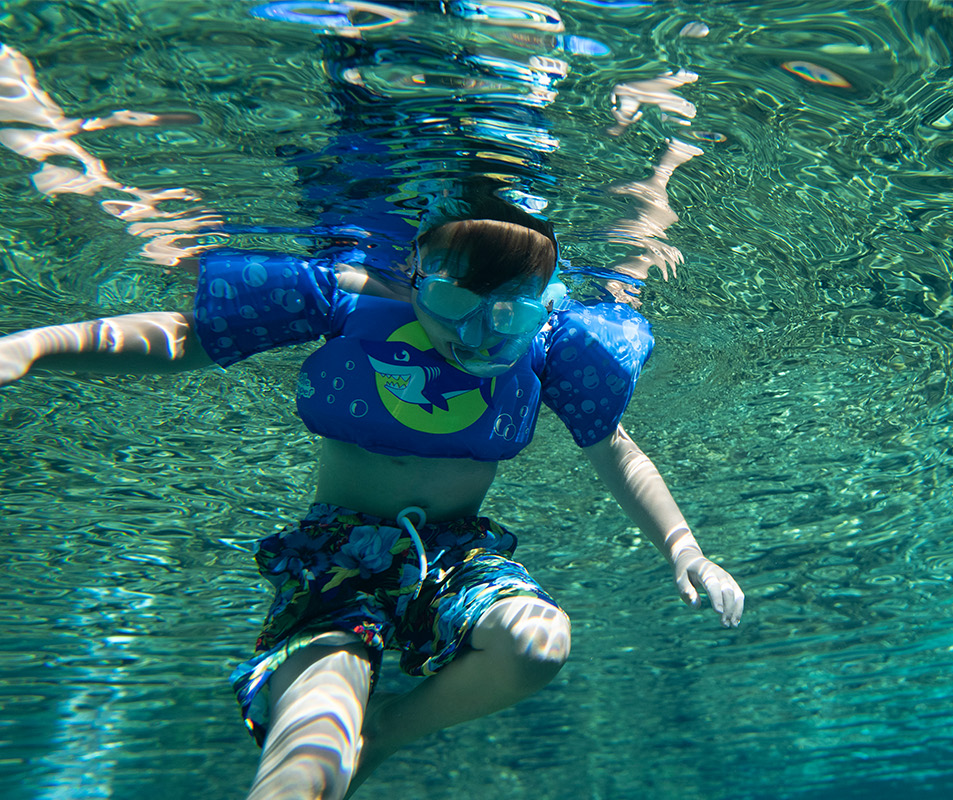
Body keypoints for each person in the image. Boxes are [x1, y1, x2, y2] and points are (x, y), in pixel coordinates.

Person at [0, 5, 742, 800]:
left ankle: (385, 734)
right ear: (416, 274)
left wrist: (685, 549)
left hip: (458, 553)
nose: (474, 335)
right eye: (452, 303)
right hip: (338, 553)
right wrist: (34, 347)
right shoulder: (352, 299)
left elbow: (616, 448)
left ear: (538, 304)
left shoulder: (553, 347)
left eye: (507, 315)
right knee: (315, 726)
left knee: (538, 646)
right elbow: (188, 336)